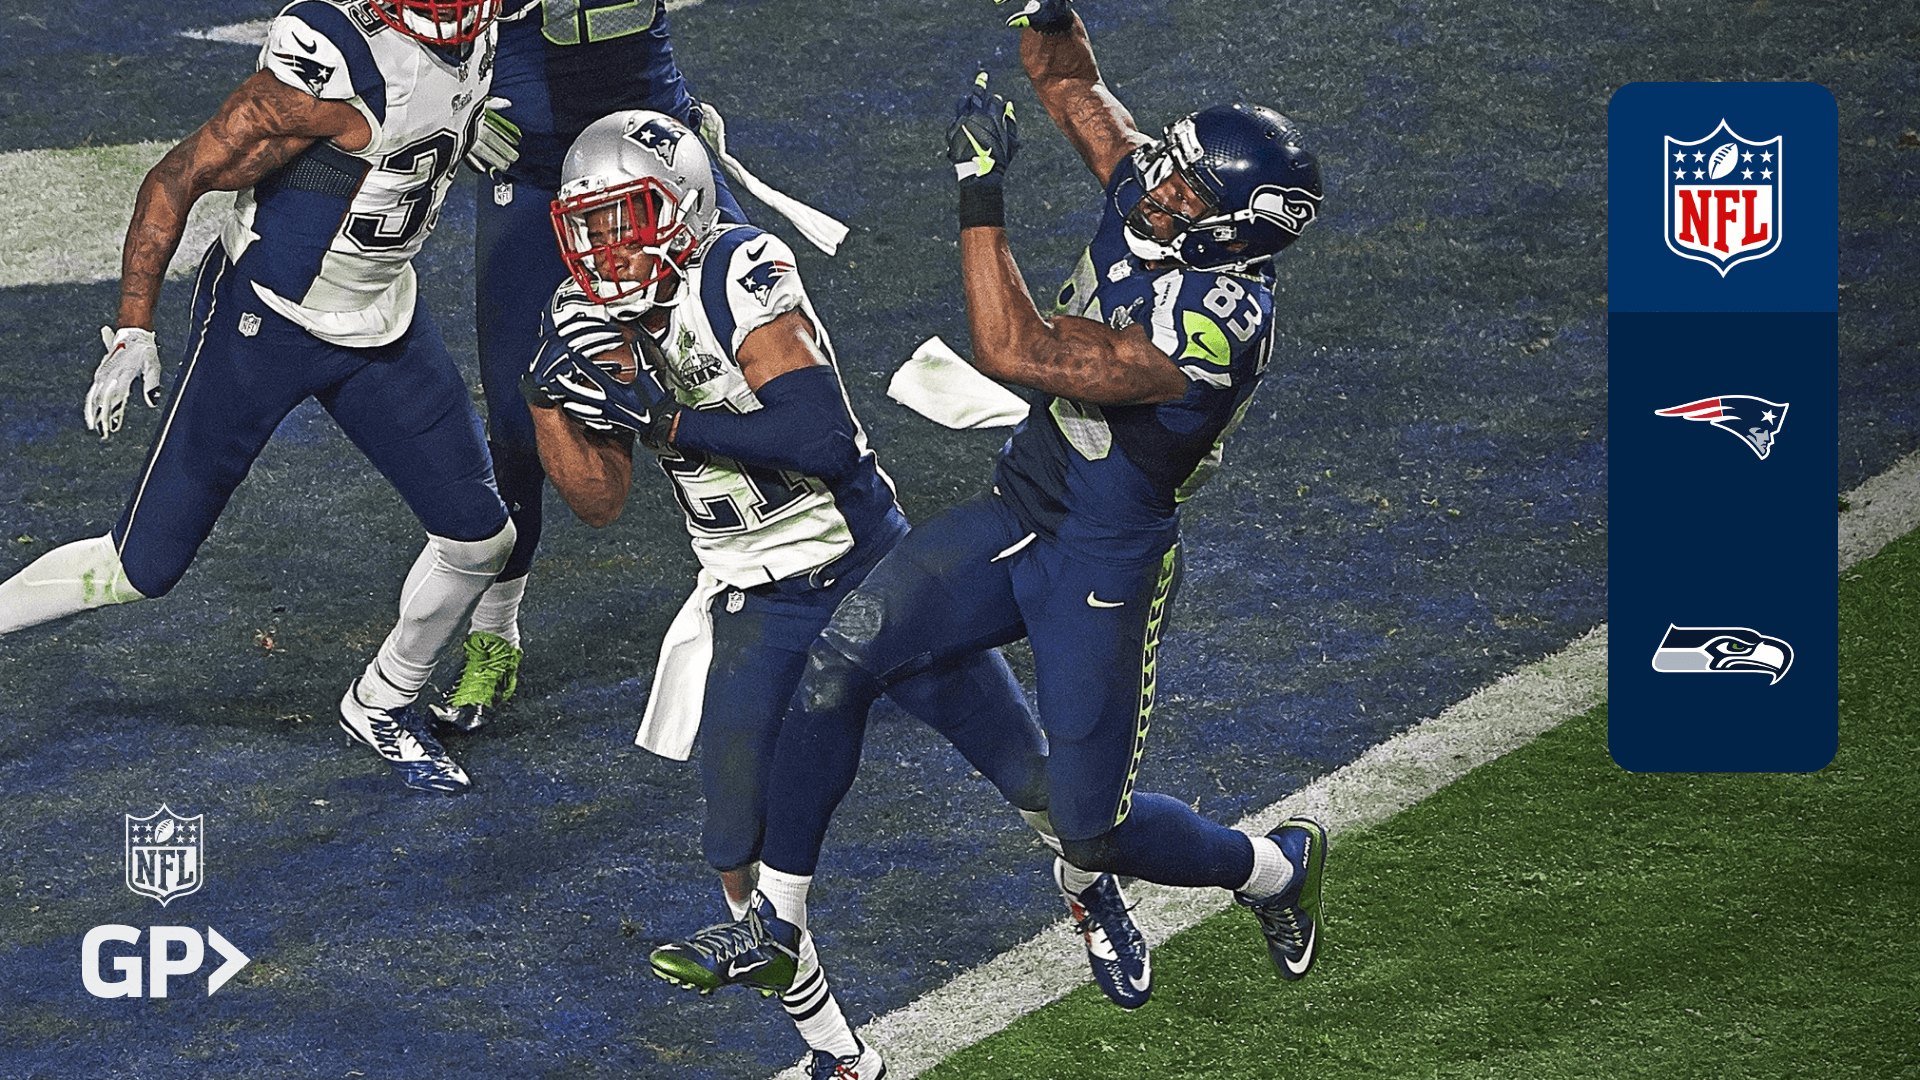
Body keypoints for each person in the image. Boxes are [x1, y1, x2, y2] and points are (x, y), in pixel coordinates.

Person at [655, 0, 1331, 1000]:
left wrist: (980, 191)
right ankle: (778, 926)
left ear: (1239, 231)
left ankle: (1272, 869)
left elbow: (1015, 349)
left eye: (1188, 189)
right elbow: (1069, 81)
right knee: (842, 659)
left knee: (1089, 832)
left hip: (1105, 556)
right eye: (1171, 167)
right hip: (1022, 508)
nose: (1159, 187)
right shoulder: (1163, 202)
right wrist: (1049, 14)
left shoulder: (1217, 325)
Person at [521, 110, 1129, 1078]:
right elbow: (598, 502)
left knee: (1031, 778)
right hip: (752, 596)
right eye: (589, 229)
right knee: (735, 843)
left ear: (682, 206)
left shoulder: (738, 269)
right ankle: (838, 1054)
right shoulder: (580, 314)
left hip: (869, 569)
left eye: (626, 221)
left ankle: (1089, 885)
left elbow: (822, 442)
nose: (607, 251)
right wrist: (547, 400)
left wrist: (665, 418)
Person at [0, 0, 518, 795]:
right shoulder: (336, 58)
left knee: (479, 540)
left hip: (380, 317)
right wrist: (134, 326)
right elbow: (177, 176)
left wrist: (455, 128)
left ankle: (382, 701)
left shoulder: (484, 29)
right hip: (265, 322)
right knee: (139, 566)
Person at [432, 0, 748, 733]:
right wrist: (448, 110)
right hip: (534, 168)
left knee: (753, 358)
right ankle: (494, 635)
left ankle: (828, 579)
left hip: (656, 153)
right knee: (521, 421)